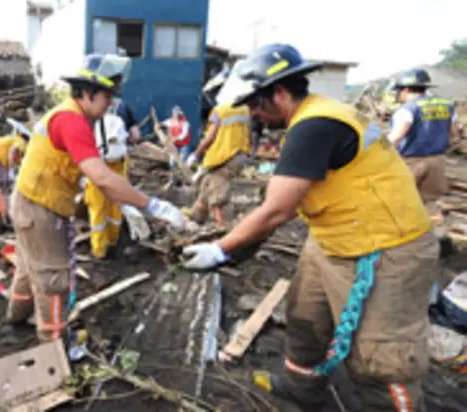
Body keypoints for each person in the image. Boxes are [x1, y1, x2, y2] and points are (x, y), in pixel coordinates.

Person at [182, 44, 437, 411]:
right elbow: (283, 201)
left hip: (386, 248)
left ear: (280, 93)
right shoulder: (311, 120)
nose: (254, 114)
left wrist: (220, 250)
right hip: (334, 238)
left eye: (256, 104)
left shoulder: (316, 124)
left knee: (382, 358)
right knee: (305, 321)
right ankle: (303, 391)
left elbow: (276, 210)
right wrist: (235, 250)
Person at [6, 53, 188, 342]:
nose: (111, 103)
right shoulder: (73, 122)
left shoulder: (70, 115)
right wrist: (154, 205)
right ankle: (54, 345)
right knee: (54, 280)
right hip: (40, 207)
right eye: (107, 96)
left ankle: (16, 316)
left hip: (31, 200)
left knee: (29, 266)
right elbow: (102, 179)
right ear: (88, 93)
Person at [386, 68, 459, 221]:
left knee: (400, 198)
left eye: (398, 90)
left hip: (412, 162)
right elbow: (454, 134)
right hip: (438, 161)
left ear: (405, 89)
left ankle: (406, 235)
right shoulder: (447, 105)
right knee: (430, 202)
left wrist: (379, 153)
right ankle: (438, 237)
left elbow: (397, 135)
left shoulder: (408, 109)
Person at [186, 67, 252, 227]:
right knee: (205, 187)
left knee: (218, 195)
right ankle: (195, 219)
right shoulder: (243, 108)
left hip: (224, 157)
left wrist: (196, 154)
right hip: (239, 155)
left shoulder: (220, 111)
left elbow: (210, 138)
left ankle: (223, 229)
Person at [84, 98, 130, 259]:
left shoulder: (93, 124)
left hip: (98, 167)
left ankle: (99, 250)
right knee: (115, 208)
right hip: (115, 169)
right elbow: (124, 144)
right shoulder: (118, 122)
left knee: (97, 211)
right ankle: (112, 241)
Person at [163, 106, 191, 186]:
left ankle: (183, 181)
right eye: (174, 113)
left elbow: (184, 135)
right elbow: (163, 123)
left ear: (179, 114)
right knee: (172, 163)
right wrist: (159, 125)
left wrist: (176, 138)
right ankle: (172, 179)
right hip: (175, 146)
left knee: (182, 162)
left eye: (176, 113)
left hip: (184, 145)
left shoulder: (185, 123)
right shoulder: (170, 121)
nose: (175, 115)